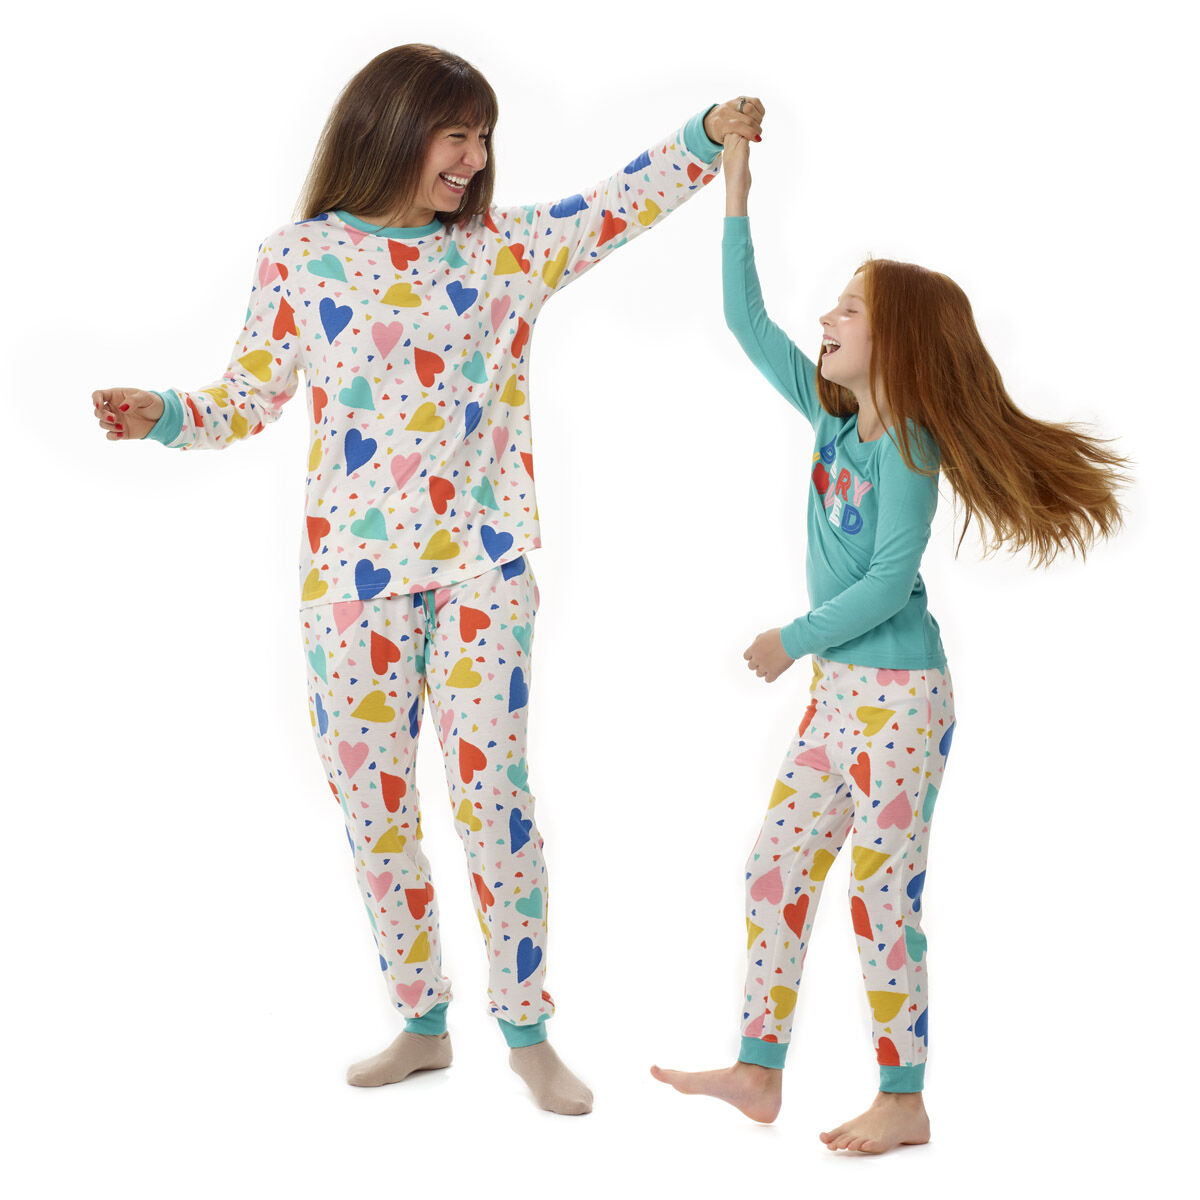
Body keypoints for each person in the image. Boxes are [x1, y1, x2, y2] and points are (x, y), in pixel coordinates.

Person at [91, 44, 763, 1116]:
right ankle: (420, 1021)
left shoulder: (501, 250)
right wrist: (161, 415)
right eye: (458, 135)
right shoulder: (300, 257)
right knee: (377, 809)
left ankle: (527, 1029)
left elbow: (610, 209)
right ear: (395, 130)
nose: (475, 158)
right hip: (350, 581)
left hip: (481, 567)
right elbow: (247, 398)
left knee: (494, 798)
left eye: (484, 137)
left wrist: (703, 137)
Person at [651, 123, 1126, 1150]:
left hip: (902, 701)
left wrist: (791, 637)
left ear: (896, 340)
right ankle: (758, 1070)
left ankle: (903, 1098)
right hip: (838, 699)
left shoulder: (908, 447)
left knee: (880, 890)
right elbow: (744, 318)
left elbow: (888, 581)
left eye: (850, 308)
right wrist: (735, 194)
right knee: (775, 869)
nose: (826, 318)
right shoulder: (831, 420)